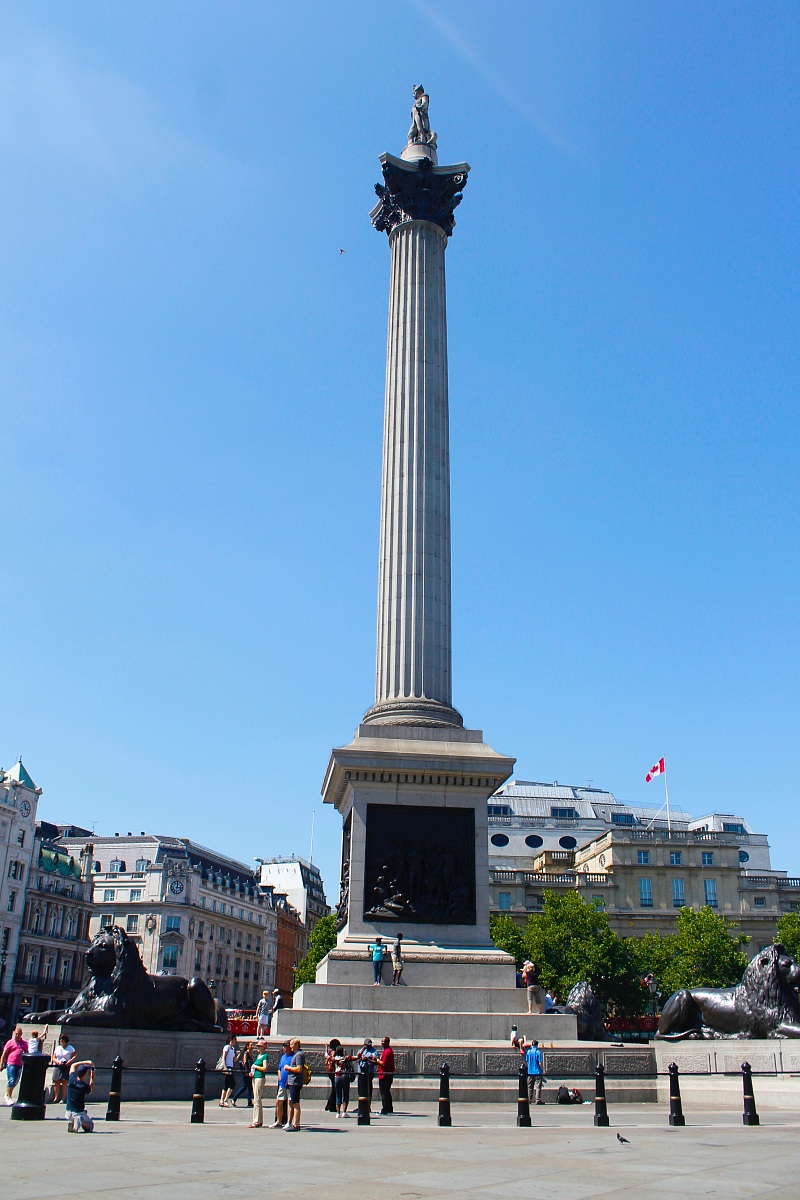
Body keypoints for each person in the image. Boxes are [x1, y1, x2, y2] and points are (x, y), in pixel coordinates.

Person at [1, 1026, 29, 1105]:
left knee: (16, 1080)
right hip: (11, 1063)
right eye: (16, 1034)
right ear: (14, 1033)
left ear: (21, 1034)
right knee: (12, 1080)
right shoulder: (10, 1042)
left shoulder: (24, 1043)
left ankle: (7, 1093)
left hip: (19, 1064)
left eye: (19, 1034)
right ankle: (9, 1097)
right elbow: (4, 1053)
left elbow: (27, 1052)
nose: (17, 1035)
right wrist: (1, 1063)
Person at [270, 1039, 293, 1128]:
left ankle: (289, 1122)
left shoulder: (293, 1056)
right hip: (282, 1083)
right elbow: (279, 1068)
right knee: (279, 1101)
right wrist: (279, 1077)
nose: (284, 1048)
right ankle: (279, 1121)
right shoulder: (283, 1057)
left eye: (286, 1046)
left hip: (290, 1082)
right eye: (284, 1046)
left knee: (290, 1102)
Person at [283, 1037, 305, 1131]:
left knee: (295, 1103)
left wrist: (289, 1068)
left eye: (292, 1044)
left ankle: (296, 1124)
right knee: (293, 1102)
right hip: (293, 1081)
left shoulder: (299, 1055)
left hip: (295, 1081)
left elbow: (299, 1069)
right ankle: (294, 1123)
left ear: (296, 1045)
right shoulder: (297, 1054)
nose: (290, 1046)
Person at [66, 1061, 95, 1132]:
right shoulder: (84, 1086)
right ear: (85, 1075)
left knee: (72, 1116)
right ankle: (79, 1121)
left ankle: (72, 1123)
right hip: (79, 1112)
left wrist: (86, 1062)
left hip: (68, 1111)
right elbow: (90, 1090)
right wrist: (92, 1077)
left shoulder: (72, 1080)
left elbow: (73, 1065)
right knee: (90, 1126)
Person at [248, 1038, 269, 1128]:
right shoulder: (258, 1056)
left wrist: (256, 1066)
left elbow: (265, 1068)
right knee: (258, 1099)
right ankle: (259, 1120)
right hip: (255, 1077)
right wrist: (252, 1072)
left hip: (260, 1078)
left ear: (263, 1047)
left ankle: (256, 1121)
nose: (258, 1047)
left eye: (259, 1046)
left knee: (256, 1100)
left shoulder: (264, 1056)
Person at [51, 1033, 77, 1105]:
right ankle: (56, 1097)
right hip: (58, 1065)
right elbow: (53, 1057)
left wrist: (70, 1061)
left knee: (64, 1081)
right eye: (60, 1040)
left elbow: (75, 1056)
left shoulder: (70, 1048)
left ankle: (63, 1098)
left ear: (65, 1040)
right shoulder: (58, 1048)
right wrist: (57, 1062)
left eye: (62, 1040)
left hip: (66, 1065)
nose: (61, 1041)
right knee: (56, 1081)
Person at [332, 1043, 355, 1118]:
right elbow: (356, 1057)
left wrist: (326, 1049)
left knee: (338, 1095)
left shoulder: (334, 1059)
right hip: (344, 1076)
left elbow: (326, 1055)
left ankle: (338, 1113)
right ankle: (344, 1112)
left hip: (337, 1077)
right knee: (345, 1094)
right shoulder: (346, 1058)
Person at [357, 1037, 379, 1109]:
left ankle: (367, 1106)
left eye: (369, 1045)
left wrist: (368, 1059)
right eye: (366, 1045)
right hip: (361, 1072)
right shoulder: (362, 1050)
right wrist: (361, 1057)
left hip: (369, 1073)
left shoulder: (374, 1052)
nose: (368, 1046)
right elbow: (357, 1058)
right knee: (360, 1090)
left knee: (368, 1090)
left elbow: (376, 1062)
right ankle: (361, 1105)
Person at [231, 1041, 254, 1107]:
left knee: (249, 1087)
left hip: (249, 1072)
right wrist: (246, 1071)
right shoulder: (246, 1053)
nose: (252, 1046)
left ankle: (249, 1101)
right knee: (244, 1086)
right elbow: (244, 1062)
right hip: (246, 1072)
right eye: (251, 1045)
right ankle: (234, 1098)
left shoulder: (250, 1053)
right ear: (247, 1046)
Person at [378, 1036, 395, 1115]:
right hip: (386, 1074)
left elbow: (383, 1064)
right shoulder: (387, 1051)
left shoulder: (387, 1051)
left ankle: (385, 1109)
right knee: (386, 1092)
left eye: (384, 1041)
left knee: (384, 1092)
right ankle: (389, 1108)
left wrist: (377, 1060)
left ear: (388, 1042)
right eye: (382, 1041)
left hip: (385, 1075)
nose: (382, 1043)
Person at [219, 1034, 237, 1107]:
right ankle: (225, 1100)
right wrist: (225, 1067)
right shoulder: (227, 1047)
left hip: (231, 1067)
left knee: (226, 1084)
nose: (236, 1042)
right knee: (232, 1083)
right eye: (235, 1040)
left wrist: (238, 1055)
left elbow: (234, 1060)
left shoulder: (233, 1049)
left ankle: (222, 1100)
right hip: (227, 1067)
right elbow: (223, 1057)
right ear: (232, 1040)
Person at [324, 1039, 341, 1113]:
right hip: (334, 1071)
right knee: (335, 1089)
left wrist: (326, 1048)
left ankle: (329, 1105)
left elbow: (326, 1055)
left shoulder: (330, 1052)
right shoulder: (335, 1052)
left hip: (330, 1071)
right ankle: (331, 1106)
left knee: (333, 1088)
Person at [525, 1038, 544, 1105]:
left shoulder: (528, 1052)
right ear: (537, 1045)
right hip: (537, 1072)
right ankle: (537, 1099)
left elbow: (526, 1061)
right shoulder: (538, 1052)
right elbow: (540, 1063)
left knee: (530, 1086)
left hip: (530, 1072)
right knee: (538, 1086)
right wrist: (542, 1069)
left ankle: (529, 1099)